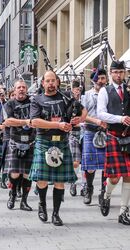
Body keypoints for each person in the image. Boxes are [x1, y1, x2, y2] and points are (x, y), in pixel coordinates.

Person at [29, 70, 86, 226]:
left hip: (61, 141)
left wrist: (77, 119)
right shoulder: (37, 100)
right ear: (43, 83)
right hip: (44, 141)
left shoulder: (65, 97)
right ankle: (42, 205)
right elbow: (34, 122)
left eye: (53, 80)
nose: (51, 83)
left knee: (59, 181)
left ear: (58, 82)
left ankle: (56, 214)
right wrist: (58, 125)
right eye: (47, 81)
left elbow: (83, 111)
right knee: (41, 179)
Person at [97, 60, 130, 225]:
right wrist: (120, 118)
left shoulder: (129, 90)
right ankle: (106, 195)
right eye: (116, 72)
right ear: (111, 73)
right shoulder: (105, 91)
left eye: (121, 72)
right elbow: (101, 114)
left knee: (129, 176)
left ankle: (124, 212)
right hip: (114, 135)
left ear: (124, 73)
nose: (119, 75)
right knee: (115, 177)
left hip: (129, 136)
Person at [4, 80, 35, 211]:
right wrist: (26, 121)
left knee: (28, 174)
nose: (21, 89)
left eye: (23, 87)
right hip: (15, 141)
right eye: (19, 87)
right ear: (14, 90)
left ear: (26, 89)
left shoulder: (33, 103)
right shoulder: (9, 104)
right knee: (15, 173)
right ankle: (13, 194)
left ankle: (24, 201)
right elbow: (8, 121)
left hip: (31, 141)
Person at [81, 69, 108, 205]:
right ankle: (89, 188)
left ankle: (103, 191)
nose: (101, 81)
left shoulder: (110, 93)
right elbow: (82, 116)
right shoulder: (86, 95)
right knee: (90, 165)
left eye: (103, 78)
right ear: (93, 80)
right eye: (99, 78)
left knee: (106, 165)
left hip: (106, 132)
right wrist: (97, 121)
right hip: (90, 130)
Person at [69, 80, 84, 197]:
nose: (78, 91)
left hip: (85, 132)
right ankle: (73, 183)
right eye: (76, 89)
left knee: (86, 162)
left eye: (79, 89)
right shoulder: (69, 102)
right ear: (72, 89)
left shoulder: (84, 100)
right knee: (76, 162)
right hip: (73, 133)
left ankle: (84, 186)